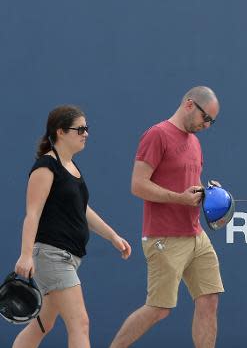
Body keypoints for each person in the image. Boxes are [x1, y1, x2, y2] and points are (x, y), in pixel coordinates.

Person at [110, 86, 223, 348]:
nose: (207, 125)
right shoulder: (157, 135)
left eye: (212, 122)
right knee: (159, 309)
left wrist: (207, 192)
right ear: (190, 104)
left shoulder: (194, 142)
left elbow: (188, 184)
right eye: (205, 118)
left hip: (196, 235)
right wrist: (179, 198)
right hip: (164, 237)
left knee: (209, 299)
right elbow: (138, 185)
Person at [12, 105, 132, 348]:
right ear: (61, 132)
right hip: (52, 256)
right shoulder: (47, 167)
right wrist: (25, 255)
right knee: (80, 323)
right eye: (80, 129)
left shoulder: (71, 167)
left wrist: (113, 236)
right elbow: (32, 214)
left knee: (43, 323)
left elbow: (83, 209)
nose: (86, 133)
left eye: (86, 129)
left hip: (66, 257)